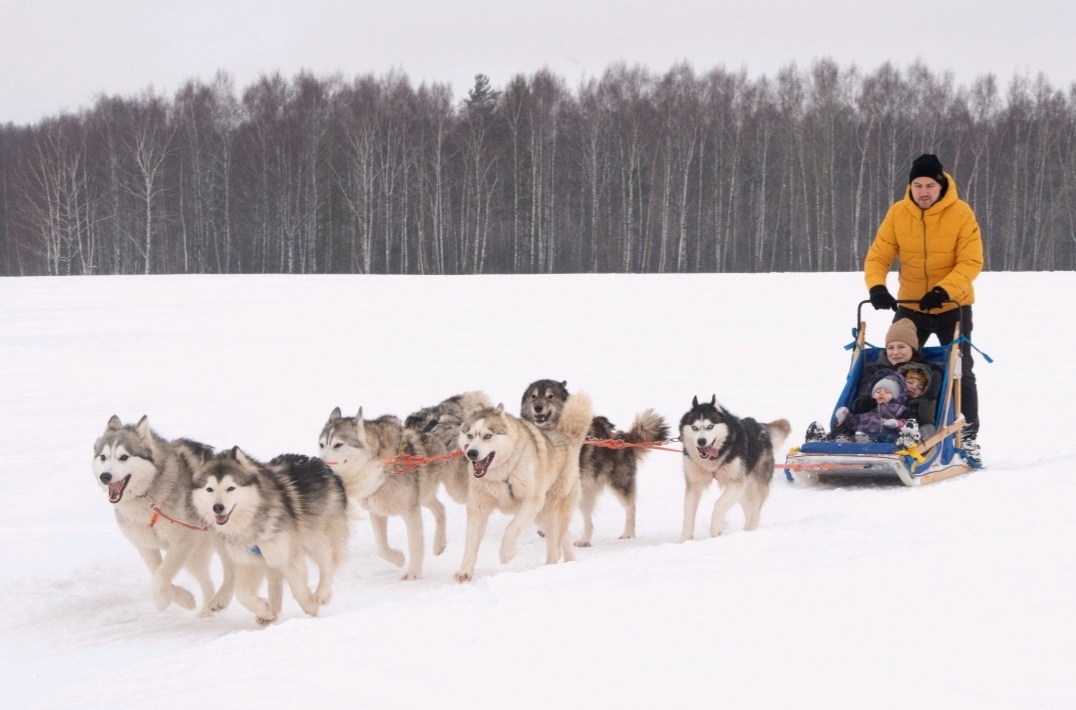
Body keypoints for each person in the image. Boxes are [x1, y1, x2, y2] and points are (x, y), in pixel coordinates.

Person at [864, 153, 984, 465]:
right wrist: (877, 287)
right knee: (893, 362)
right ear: (910, 187)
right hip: (912, 305)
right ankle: (885, 423)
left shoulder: (961, 213)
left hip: (952, 304)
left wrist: (944, 290)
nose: (923, 191)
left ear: (941, 185)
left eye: (929, 185)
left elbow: (971, 262)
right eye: (917, 185)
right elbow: (878, 255)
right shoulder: (898, 213)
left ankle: (967, 437)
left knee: (960, 370)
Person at [831, 374, 913, 444]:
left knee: (887, 437)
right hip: (862, 434)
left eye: (887, 392)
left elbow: (909, 423)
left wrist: (898, 423)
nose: (881, 393)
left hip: (885, 434)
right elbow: (855, 420)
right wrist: (846, 417)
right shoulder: (867, 410)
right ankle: (844, 442)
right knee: (854, 434)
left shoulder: (897, 408)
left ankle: (866, 443)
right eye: (878, 392)